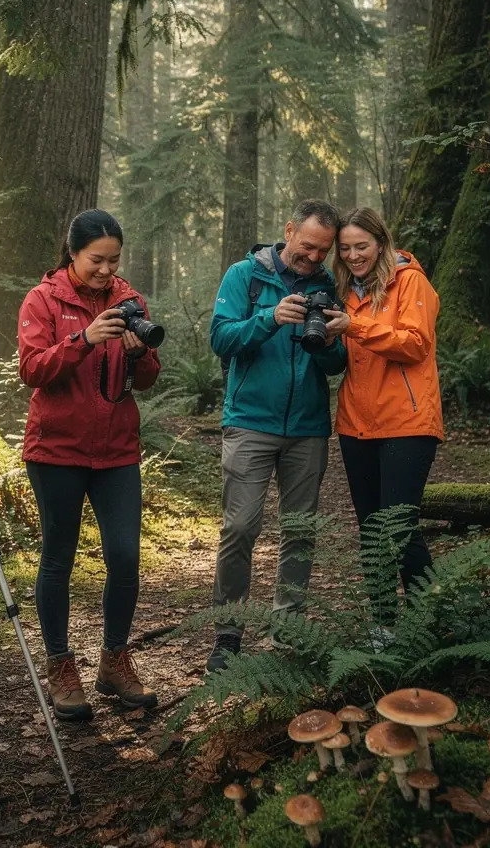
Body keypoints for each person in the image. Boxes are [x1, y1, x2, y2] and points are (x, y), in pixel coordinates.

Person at [18, 209, 161, 721]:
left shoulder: (129, 299)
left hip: (116, 450)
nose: (105, 270)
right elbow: (31, 369)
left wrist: (139, 354)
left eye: (114, 260)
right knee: (58, 556)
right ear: (73, 253)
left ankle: (114, 660)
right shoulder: (43, 299)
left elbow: (147, 380)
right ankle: (60, 665)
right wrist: (83, 340)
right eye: (96, 260)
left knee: (125, 556)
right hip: (57, 450)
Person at [206, 199, 349, 673]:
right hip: (250, 421)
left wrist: (328, 341)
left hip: (307, 427)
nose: (314, 257)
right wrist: (268, 319)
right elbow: (221, 339)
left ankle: (289, 631)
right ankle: (228, 632)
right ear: (289, 231)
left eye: (323, 251)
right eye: (308, 246)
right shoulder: (245, 276)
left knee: (300, 531)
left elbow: (336, 364)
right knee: (240, 527)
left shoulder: (329, 286)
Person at [333, 207, 443, 633]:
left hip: (407, 422)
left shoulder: (409, 281)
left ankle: (425, 626)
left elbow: (416, 344)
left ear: (381, 243)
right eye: (345, 249)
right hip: (356, 423)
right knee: (371, 531)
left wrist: (354, 326)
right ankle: (383, 629)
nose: (354, 255)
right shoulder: (344, 289)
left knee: (399, 528)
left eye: (362, 246)